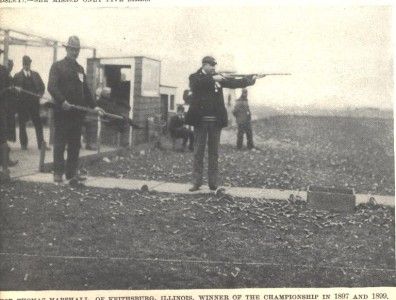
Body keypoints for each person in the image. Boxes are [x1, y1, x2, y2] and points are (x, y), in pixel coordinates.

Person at [185, 56, 260, 191]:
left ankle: (213, 183)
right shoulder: (194, 77)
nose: (214, 68)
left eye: (215, 66)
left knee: (214, 153)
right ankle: (196, 182)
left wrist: (251, 79)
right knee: (198, 152)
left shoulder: (218, 77)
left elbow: (234, 82)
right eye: (211, 65)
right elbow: (197, 84)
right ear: (204, 65)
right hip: (200, 121)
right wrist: (213, 78)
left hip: (215, 122)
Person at [48, 36, 104, 185]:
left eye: (77, 49)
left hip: (77, 114)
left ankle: (71, 174)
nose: (75, 52)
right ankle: (58, 174)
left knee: (74, 144)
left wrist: (94, 106)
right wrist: (62, 101)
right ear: (67, 49)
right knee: (60, 144)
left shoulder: (80, 69)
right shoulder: (57, 66)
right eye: (72, 49)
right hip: (62, 112)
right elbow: (51, 87)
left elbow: (85, 90)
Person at [14, 55, 49, 151]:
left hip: (34, 104)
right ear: (23, 64)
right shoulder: (17, 76)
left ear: (30, 63)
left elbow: (42, 86)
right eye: (25, 64)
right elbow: (13, 89)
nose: (27, 65)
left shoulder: (35, 75)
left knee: (38, 124)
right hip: (22, 105)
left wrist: (40, 94)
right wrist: (17, 90)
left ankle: (41, 145)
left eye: (28, 63)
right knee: (22, 124)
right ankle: (23, 144)